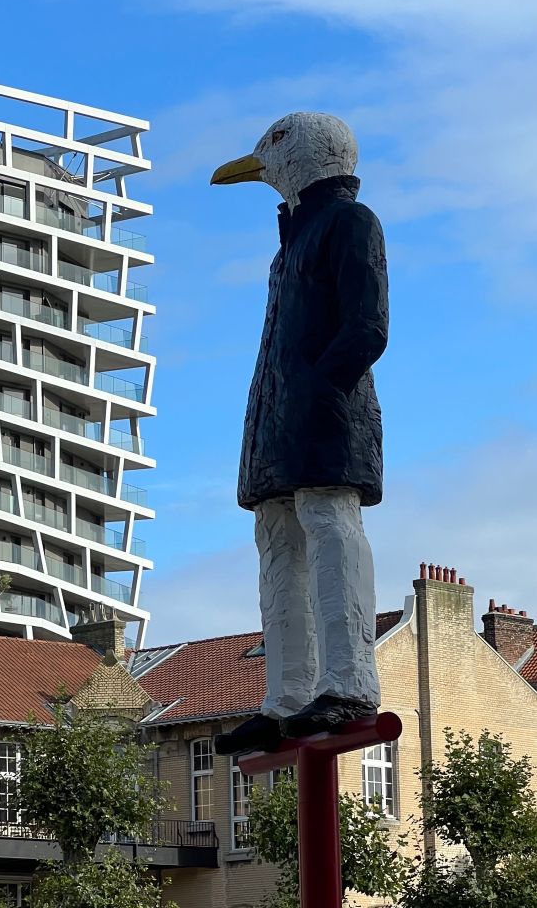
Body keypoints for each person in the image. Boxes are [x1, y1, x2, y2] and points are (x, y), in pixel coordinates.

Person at [210, 113, 389, 754]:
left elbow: (367, 326)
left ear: (303, 153)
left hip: (325, 414)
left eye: (271, 148)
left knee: (330, 524)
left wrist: (318, 390)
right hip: (280, 420)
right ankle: (287, 694)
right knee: (277, 536)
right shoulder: (290, 243)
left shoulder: (348, 222)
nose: (259, 162)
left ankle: (348, 682)